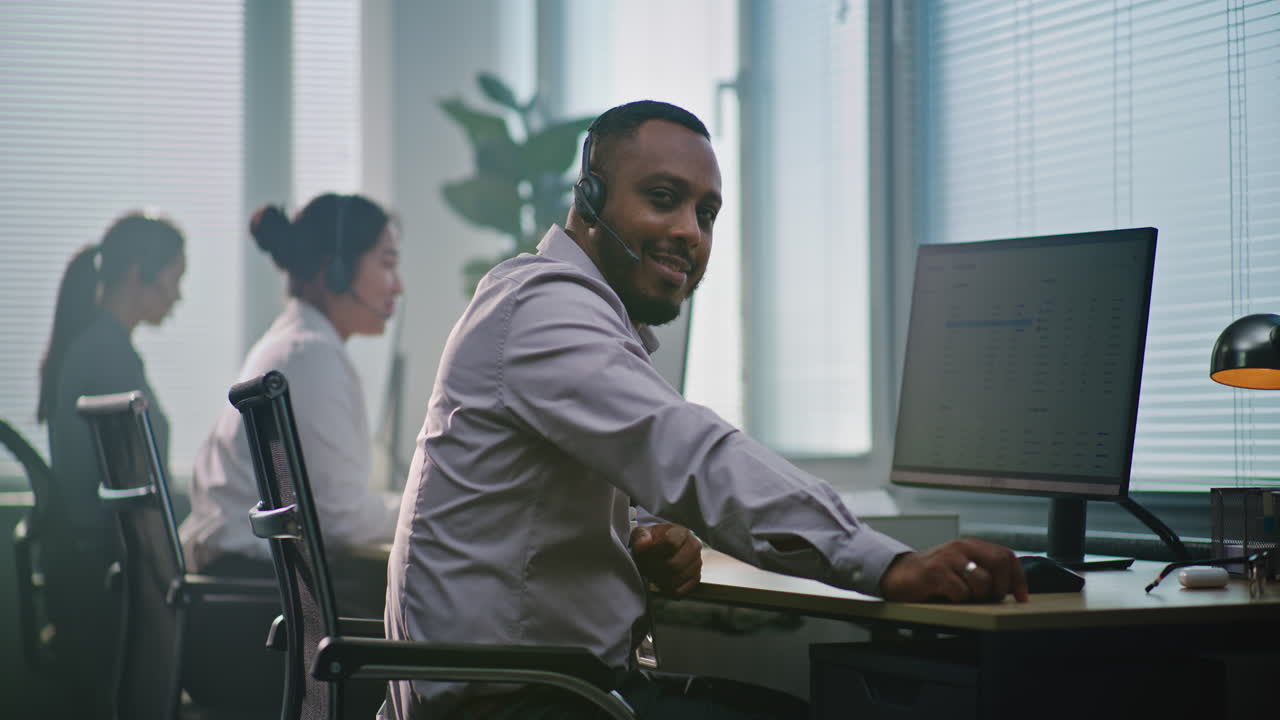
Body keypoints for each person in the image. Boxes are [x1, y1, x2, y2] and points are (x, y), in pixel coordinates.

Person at [383, 100, 1028, 720]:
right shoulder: (543, 308)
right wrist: (887, 563)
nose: (690, 231)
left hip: (533, 689)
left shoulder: (547, 308)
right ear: (590, 199)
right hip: (517, 703)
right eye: (663, 198)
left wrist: (637, 537)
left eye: (707, 213)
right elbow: (687, 449)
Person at [180, 192, 402, 617]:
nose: (398, 285)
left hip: (240, 593)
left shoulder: (295, 344)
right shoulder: (310, 356)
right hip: (261, 602)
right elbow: (342, 520)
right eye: (387, 264)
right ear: (335, 270)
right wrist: (428, 510)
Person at [38, 210, 187, 718]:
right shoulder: (109, 358)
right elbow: (138, 486)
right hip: (112, 576)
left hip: (92, 568)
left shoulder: (95, 346)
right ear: (139, 273)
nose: (177, 296)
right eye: (175, 279)